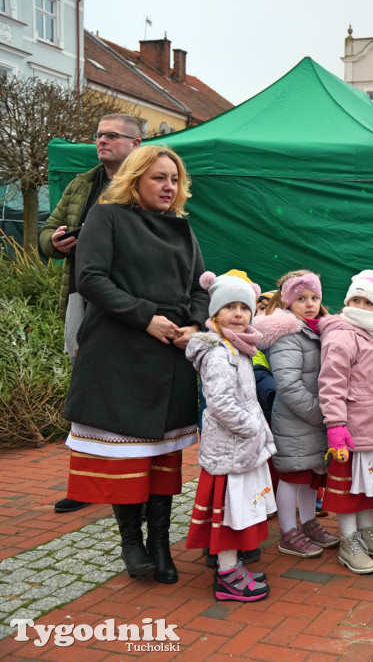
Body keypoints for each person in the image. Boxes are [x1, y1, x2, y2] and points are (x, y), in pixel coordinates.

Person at [61, 145, 208, 583]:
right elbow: (90, 278)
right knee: (127, 457)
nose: (169, 186)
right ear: (136, 179)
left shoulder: (182, 227)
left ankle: (160, 543)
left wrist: (196, 325)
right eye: (159, 178)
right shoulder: (107, 216)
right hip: (120, 351)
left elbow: (201, 285)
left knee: (162, 459)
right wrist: (146, 317)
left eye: (174, 179)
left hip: (170, 352)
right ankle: (131, 541)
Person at [41, 113, 142, 515]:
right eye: (99, 135)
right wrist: (57, 241)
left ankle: (132, 479)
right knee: (85, 390)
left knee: (126, 389)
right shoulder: (82, 183)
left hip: (132, 303)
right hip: (84, 298)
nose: (102, 141)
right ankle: (85, 485)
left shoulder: (148, 185)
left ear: (135, 143)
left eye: (112, 135)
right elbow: (46, 232)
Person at [185, 270, 276, 602]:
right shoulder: (219, 353)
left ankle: (232, 565)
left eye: (245, 308)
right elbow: (221, 402)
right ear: (214, 314)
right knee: (230, 513)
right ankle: (226, 575)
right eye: (230, 307)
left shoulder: (238, 348)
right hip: (231, 449)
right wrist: (251, 427)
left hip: (240, 449)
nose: (238, 314)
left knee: (240, 511)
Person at [318, 271, 373, 575]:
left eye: (368, 301)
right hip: (353, 427)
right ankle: (349, 539)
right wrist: (336, 425)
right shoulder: (343, 333)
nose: (360, 306)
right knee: (348, 489)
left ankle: (367, 532)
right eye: (355, 299)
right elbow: (332, 383)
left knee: (368, 485)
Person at [253, 271, 337, 560]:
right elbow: (288, 386)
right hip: (296, 419)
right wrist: (319, 414)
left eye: (314, 298)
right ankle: (289, 532)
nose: (310, 304)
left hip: (313, 419)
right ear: (288, 303)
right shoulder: (288, 334)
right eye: (301, 299)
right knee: (291, 477)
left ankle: (309, 523)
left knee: (311, 474)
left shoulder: (315, 331)